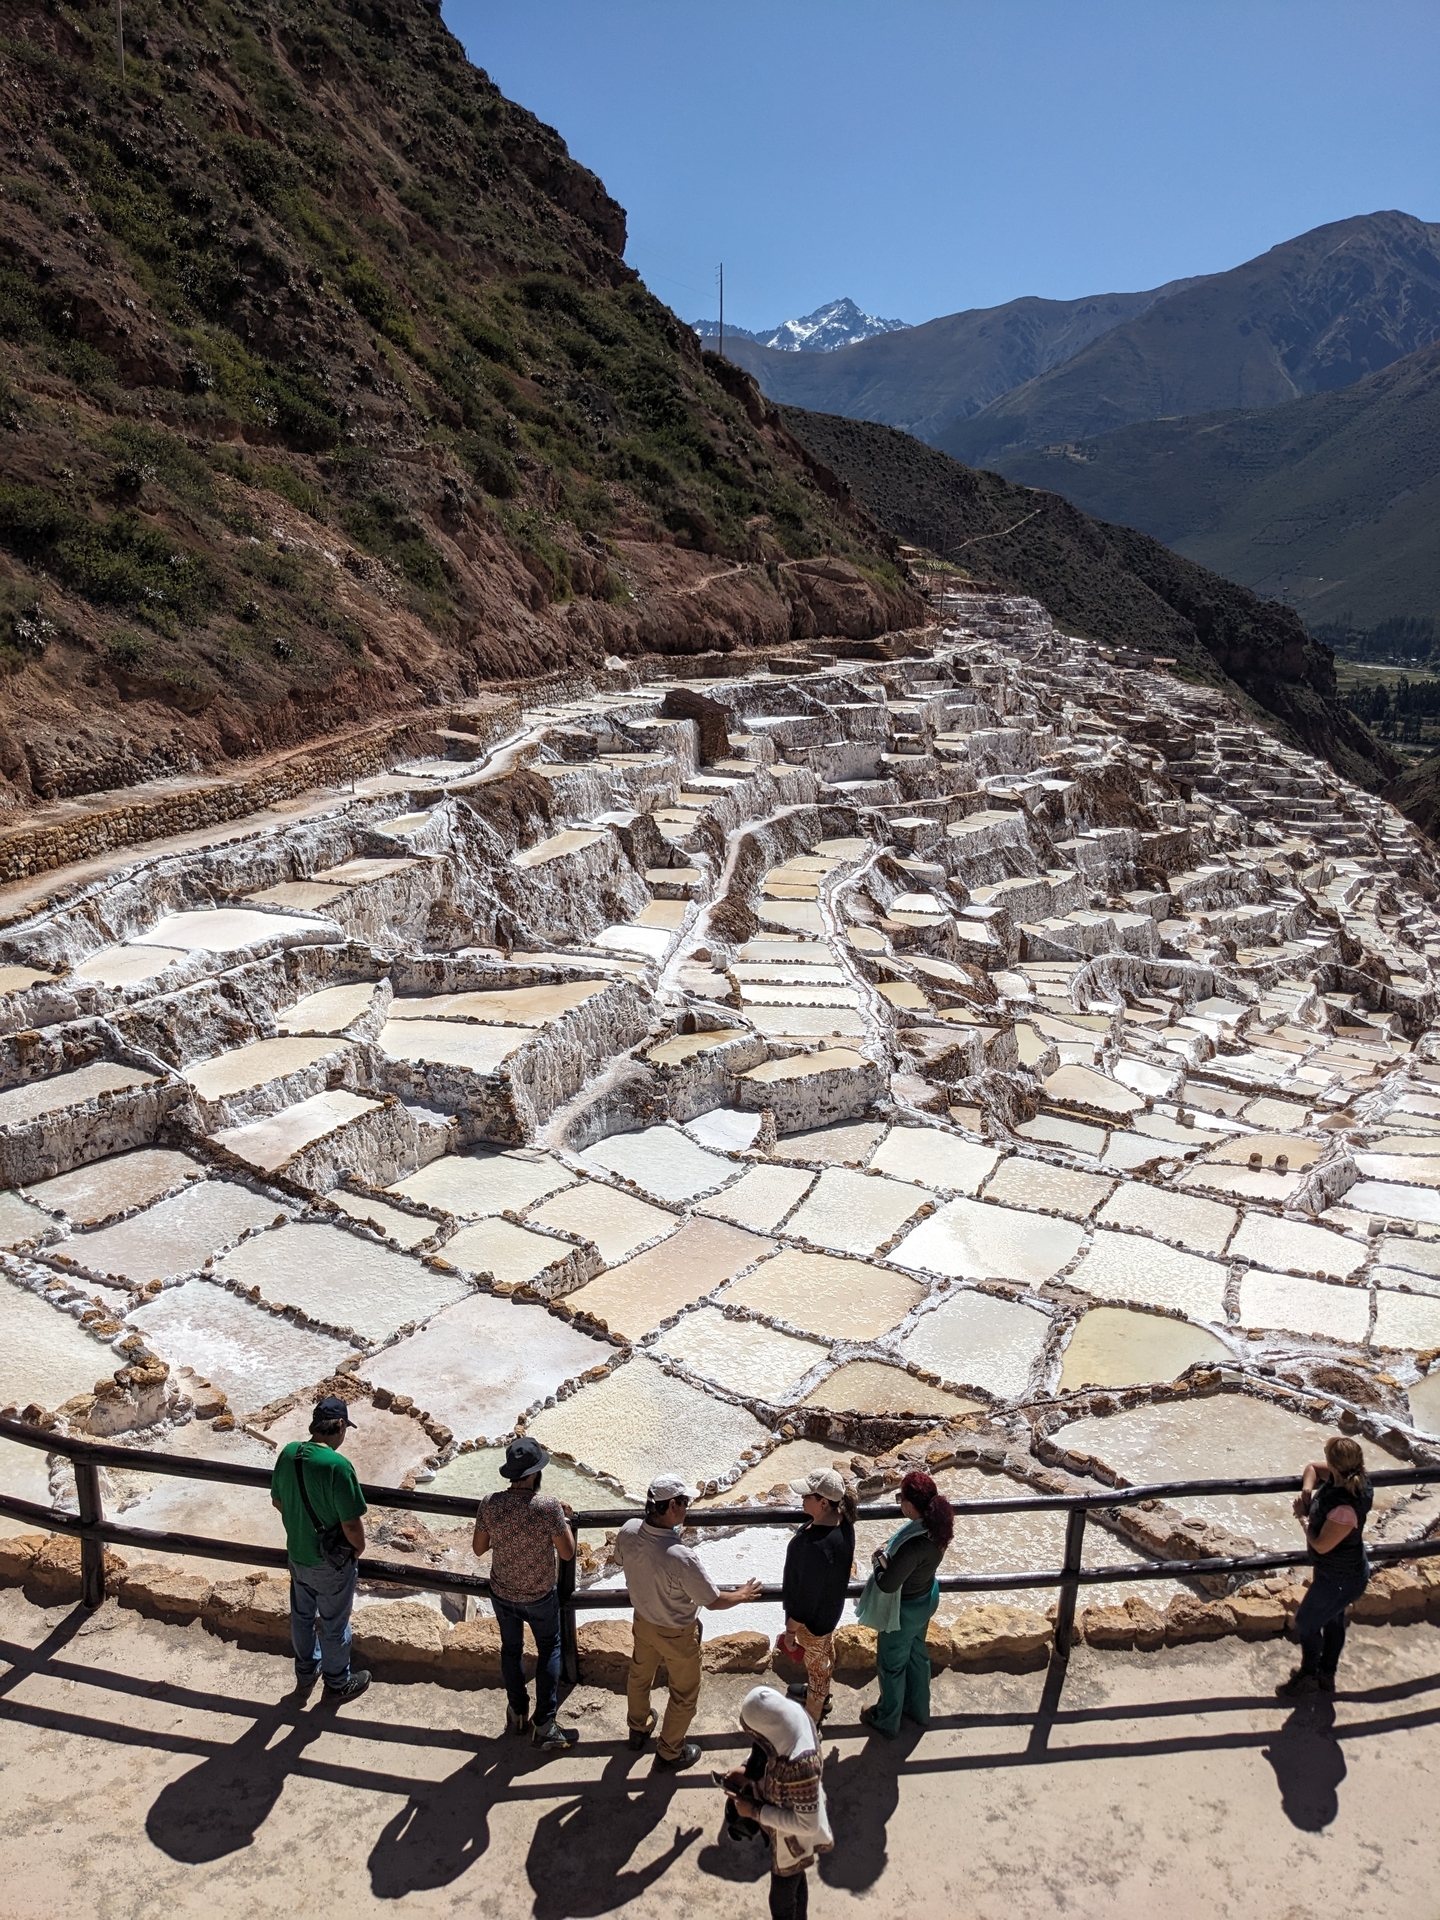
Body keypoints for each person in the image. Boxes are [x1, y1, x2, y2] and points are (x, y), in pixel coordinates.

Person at [614, 1471, 763, 1770]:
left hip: (643, 1621)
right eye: (684, 1502)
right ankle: (670, 1751)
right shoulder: (681, 1557)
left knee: (640, 1676)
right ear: (671, 1506)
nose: (687, 1508)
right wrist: (741, 1594)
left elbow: (620, 1560)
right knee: (684, 1694)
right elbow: (713, 1600)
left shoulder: (628, 1530)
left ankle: (638, 1728)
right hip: (677, 1634)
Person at [472, 1435, 579, 1750]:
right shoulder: (547, 1507)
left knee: (511, 1649)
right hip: (538, 1595)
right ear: (535, 1473)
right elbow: (568, 1553)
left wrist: (504, 1533)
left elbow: (479, 1548)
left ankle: (517, 1712)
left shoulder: (491, 1503)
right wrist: (563, 1519)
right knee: (549, 1648)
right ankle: (544, 1722)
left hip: (502, 1592)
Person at [270, 1394, 370, 1703]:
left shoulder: (289, 1453)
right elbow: (351, 1524)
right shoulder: (337, 1466)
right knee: (334, 1623)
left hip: (297, 1554)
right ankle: (338, 1682)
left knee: (302, 1617)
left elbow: (278, 1501)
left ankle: (306, 1672)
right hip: (330, 1563)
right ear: (340, 1425)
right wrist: (357, 1549)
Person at [719, 1684, 832, 1919]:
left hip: (794, 1837)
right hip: (783, 1818)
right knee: (796, 1880)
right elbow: (768, 1748)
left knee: (782, 1898)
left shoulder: (803, 1766)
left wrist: (755, 1811)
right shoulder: (791, 1716)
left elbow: (807, 1825)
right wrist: (746, 1770)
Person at [1276, 1435, 1374, 1699]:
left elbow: (1320, 1545)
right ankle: (1326, 1674)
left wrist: (1302, 1516)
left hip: (1341, 1578)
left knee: (1306, 1622)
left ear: (1333, 1463)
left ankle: (1309, 1673)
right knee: (1333, 1620)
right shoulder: (1346, 1477)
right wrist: (1307, 1492)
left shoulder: (1345, 1508)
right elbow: (1312, 1468)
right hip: (1338, 1571)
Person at [860, 1469, 952, 1739]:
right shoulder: (937, 1527)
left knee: (891, 1664)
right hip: (926, 1598)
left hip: (904, 1611)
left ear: (910, 1506)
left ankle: (887, 1720)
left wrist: (877, 1562)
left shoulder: (915, 1545)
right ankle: (919, 1710)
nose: (899, 1501)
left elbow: (887, 1584)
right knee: (917, 1655)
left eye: (900, 1498)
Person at [779, 1468, 856, 1725]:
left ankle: (812, 1721)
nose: (801, 1500)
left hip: (813, 1623)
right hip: (829, 1612)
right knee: (823, 1659)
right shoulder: (844, 1523)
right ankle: (820, 1697)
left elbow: (805, 1600)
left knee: (817, 1670)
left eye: (806, 1496)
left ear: (823, 1502)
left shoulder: (814, 1547)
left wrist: (790, 1631)